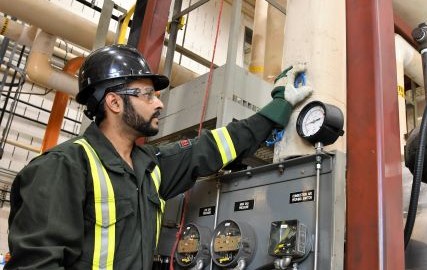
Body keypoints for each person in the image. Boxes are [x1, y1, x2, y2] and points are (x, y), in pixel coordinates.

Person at [6, 44, 312, 269]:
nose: (159, 104)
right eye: (147, 95)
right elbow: (37, 264)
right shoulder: (63, 167)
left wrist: (278, 107)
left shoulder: (150, 166)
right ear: (113, 102)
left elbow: (215, 146)